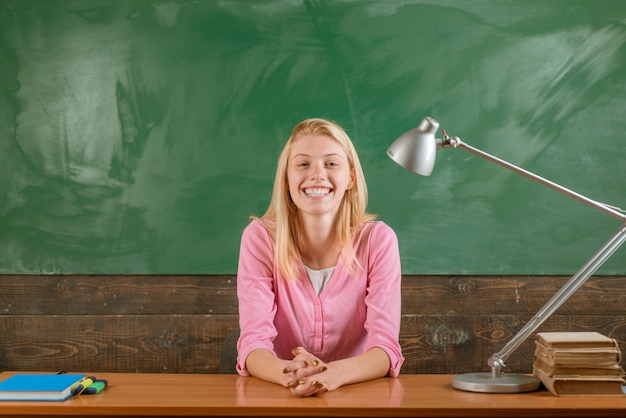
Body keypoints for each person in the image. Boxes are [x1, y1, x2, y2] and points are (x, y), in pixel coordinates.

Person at [236, 118, 404, 397]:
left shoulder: (378, 240)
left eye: (331, 163)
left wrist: (332, 374)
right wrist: (292, 374)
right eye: (303, 164)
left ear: (350, 177)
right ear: (287, 179)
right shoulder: (259, 238)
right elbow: (253, 344)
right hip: (280, 394)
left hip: (359, 395)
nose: (317, 174)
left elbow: (384, 347)